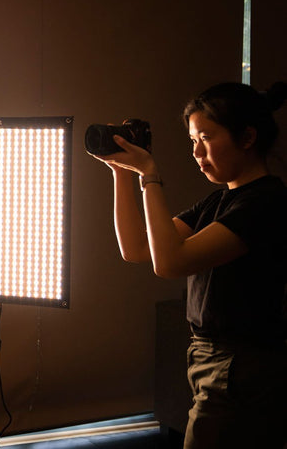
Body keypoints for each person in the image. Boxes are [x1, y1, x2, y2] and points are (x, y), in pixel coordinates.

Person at [90, 82, 287, 449]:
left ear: (247, 137)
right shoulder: (219, 201)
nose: (196, 152)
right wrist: (121, 172)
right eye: (193, 140)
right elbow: (136, 248)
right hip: (211, 359)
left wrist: (149, 174)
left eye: (206, 138)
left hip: (239, 367)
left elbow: (169, 262)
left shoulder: (266, 203)